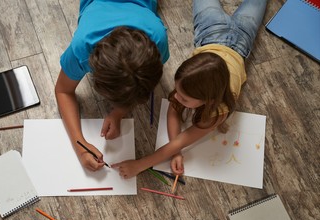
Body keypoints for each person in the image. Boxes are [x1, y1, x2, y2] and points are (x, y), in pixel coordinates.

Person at [112, 0, 268, 178]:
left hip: (241, 41)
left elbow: (181, 140)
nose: (176, 98)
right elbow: (174, 112)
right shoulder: (190, 82)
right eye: (178, 92)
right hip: (211, 31)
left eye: (184, 99)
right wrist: (176, 152)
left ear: (209, 100)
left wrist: (140, 164)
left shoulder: (219, 111)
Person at [55, 0, 169, 172]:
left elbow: (64, 90)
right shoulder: (83, 47)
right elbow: (63, 91)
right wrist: (80, 146)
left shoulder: (158, 39)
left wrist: (118, 112)